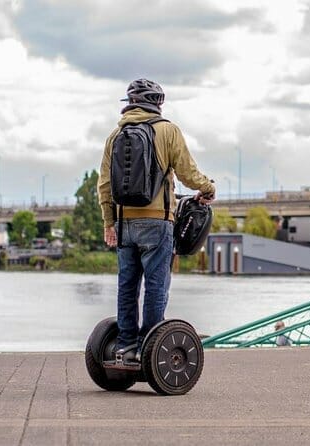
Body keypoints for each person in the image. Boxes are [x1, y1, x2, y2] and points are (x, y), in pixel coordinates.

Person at [98, 78, 215, 365]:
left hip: (125, 224)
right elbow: (188, 173)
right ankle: (148, 347)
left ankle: (125, 346)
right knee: (156, 285)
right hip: (158, 223)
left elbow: (104, 184)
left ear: (130, 103)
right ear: (157, 103)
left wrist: (109, 223)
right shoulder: (167, 131)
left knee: (127, 285)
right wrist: (207, 188)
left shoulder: (115, 135)